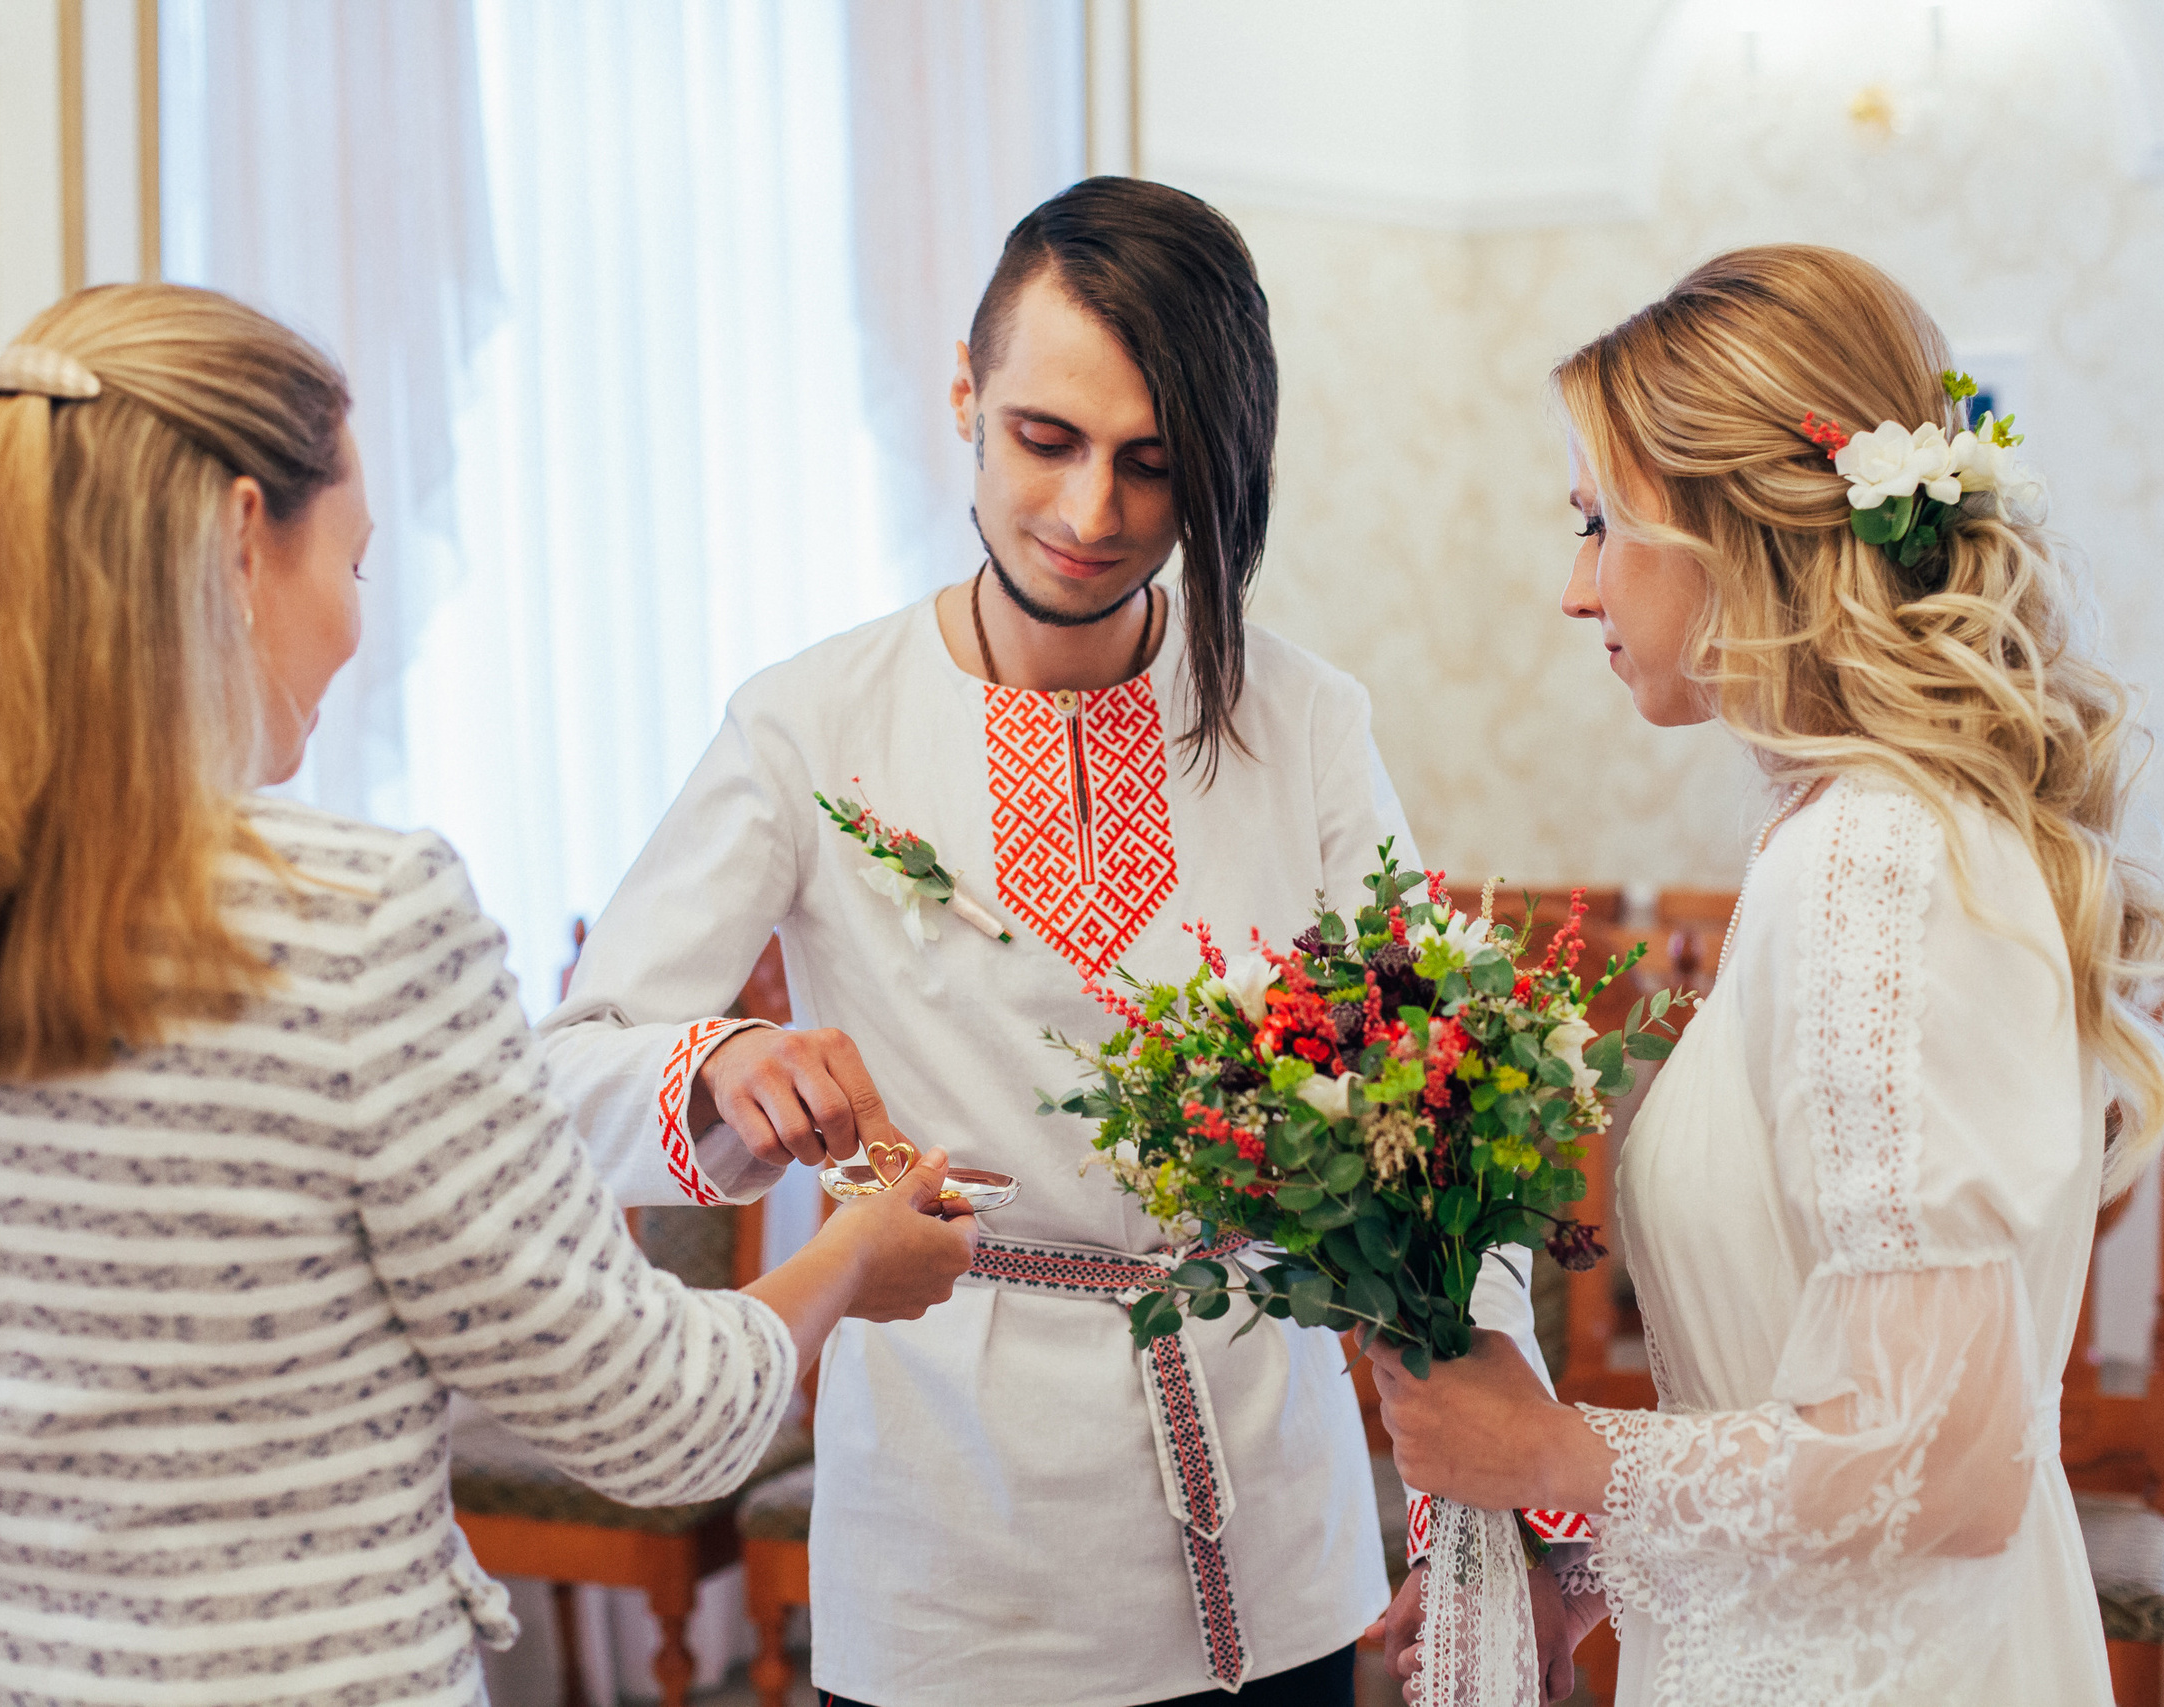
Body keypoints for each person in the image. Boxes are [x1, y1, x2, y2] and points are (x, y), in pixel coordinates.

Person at [0, 283, 975, 1707]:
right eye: (352, 566)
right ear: (241, 538)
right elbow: (649, 1418)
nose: (354, 634)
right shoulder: (357, 927)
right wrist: (849, 1259)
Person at [537, 176, 1581, 1706]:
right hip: (957, 1548)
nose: (1093, 515)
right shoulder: (810, 723)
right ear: (964, 394)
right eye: (1048, 440)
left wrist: (1504, 1520)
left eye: (1153, 467)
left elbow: (1448, 1126)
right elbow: (565, 1081)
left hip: (1277, 1542)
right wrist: (723, 1065)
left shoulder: (1304, 724)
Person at [1366, 244, 2164, 1705]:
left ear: (1735, 526)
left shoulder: (1875, 859)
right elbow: (1811, 1408)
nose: (1576, 588)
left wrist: (1564, 1454)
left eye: (1601, 524)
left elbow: (1943, 1458)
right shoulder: (1856, 829)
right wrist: (1585, 1569)